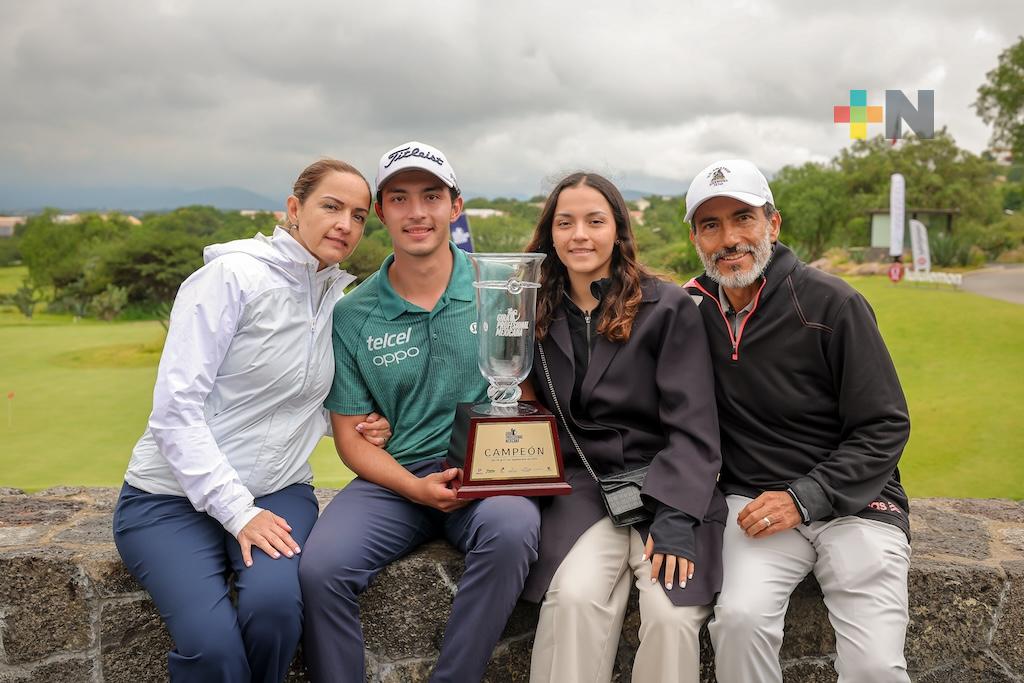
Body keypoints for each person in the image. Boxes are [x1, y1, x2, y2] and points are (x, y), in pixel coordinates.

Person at [112, 158, 392, 682]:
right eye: (331, 207)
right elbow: (175, 412)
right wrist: (238, 512)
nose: (345, 225)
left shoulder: (332, 296)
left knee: (275, 612)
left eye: (358, 216)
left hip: (277, 490)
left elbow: (293, 396)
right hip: (168, 500)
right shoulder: (230, 277)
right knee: (212, 648)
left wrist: (354, 425)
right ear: (294, 208)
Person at [298, 141, 542, 683]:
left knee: (514, 528)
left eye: (431, 196)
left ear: (455, 206)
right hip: (396, 479)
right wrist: (415, 488)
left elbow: (526, 397)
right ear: (380, 212)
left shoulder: (500, 289)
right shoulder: (353, 313)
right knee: (321, 568)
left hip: (485, 477)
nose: (416, 212)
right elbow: (350, 438)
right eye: (399, 198)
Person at [682, 159, 912, 683]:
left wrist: (805, 497)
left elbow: (884, 426)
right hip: (753, 502)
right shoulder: (688, 309)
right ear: (695, 237)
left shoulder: (834, 303)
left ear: (773, 223)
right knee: (738, 622)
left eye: (743, 218)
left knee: (876, 666)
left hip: (857, 504)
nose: (729, 239)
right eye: (711, 225)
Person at [520, 172, 726, 683]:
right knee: (572, 599)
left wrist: (677, 518)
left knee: (671, 615)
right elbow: (515, 398)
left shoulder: (668, 307)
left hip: (668, 486)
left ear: (618, 230)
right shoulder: (532, 310)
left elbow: (695, 428)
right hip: (585, 490)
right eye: (565, 223)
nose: (579, 235)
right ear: (550, 234)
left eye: (595, 221)